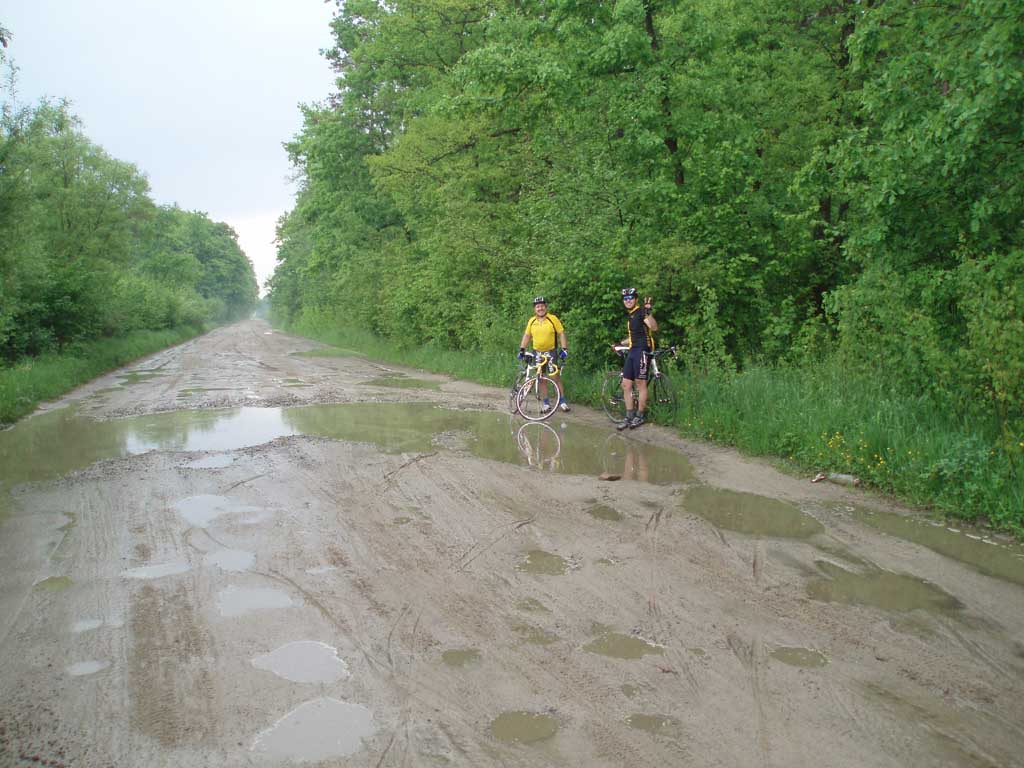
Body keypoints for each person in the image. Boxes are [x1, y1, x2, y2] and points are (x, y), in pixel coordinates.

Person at [518, 296, 570, 413]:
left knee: (555, 377)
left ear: (545, 307)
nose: (540, 308)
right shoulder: (532, 321)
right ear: (534, 309)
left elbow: (561, 333)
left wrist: (564, 349)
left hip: (551, 352)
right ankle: (546, 403)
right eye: (538, 307)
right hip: (537, 353)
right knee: (541, 378)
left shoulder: (553, 319)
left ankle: (562, 401)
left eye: (542, 306)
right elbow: (527, 336)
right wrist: (522, 349)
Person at [615, 287, 657, 429]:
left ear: (636, 299)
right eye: (625, 299)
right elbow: (633, 336)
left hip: (643, 350)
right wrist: (620, 343)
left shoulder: (641, 312)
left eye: (631, 298)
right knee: (626, 384)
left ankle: (640, 416)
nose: (628, 301)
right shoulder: (631, 315)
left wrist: (648, 312)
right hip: (633, 350)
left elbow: (654, 328)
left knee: (640, 383)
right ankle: (629, 416)